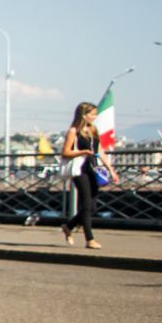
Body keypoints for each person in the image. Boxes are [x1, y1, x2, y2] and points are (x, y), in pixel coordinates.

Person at [60, 101, 117, 249]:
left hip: (93, 170)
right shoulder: (73, 131)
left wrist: (110, 169)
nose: (95, 117)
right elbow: (65, 153)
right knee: (85, 204)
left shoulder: (93, 130)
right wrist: (82, 152)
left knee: (91, 206)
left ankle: (68, 226)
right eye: (92, 114)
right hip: (79, 170)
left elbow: (100, 151)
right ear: (83, 115)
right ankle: (90, 239)